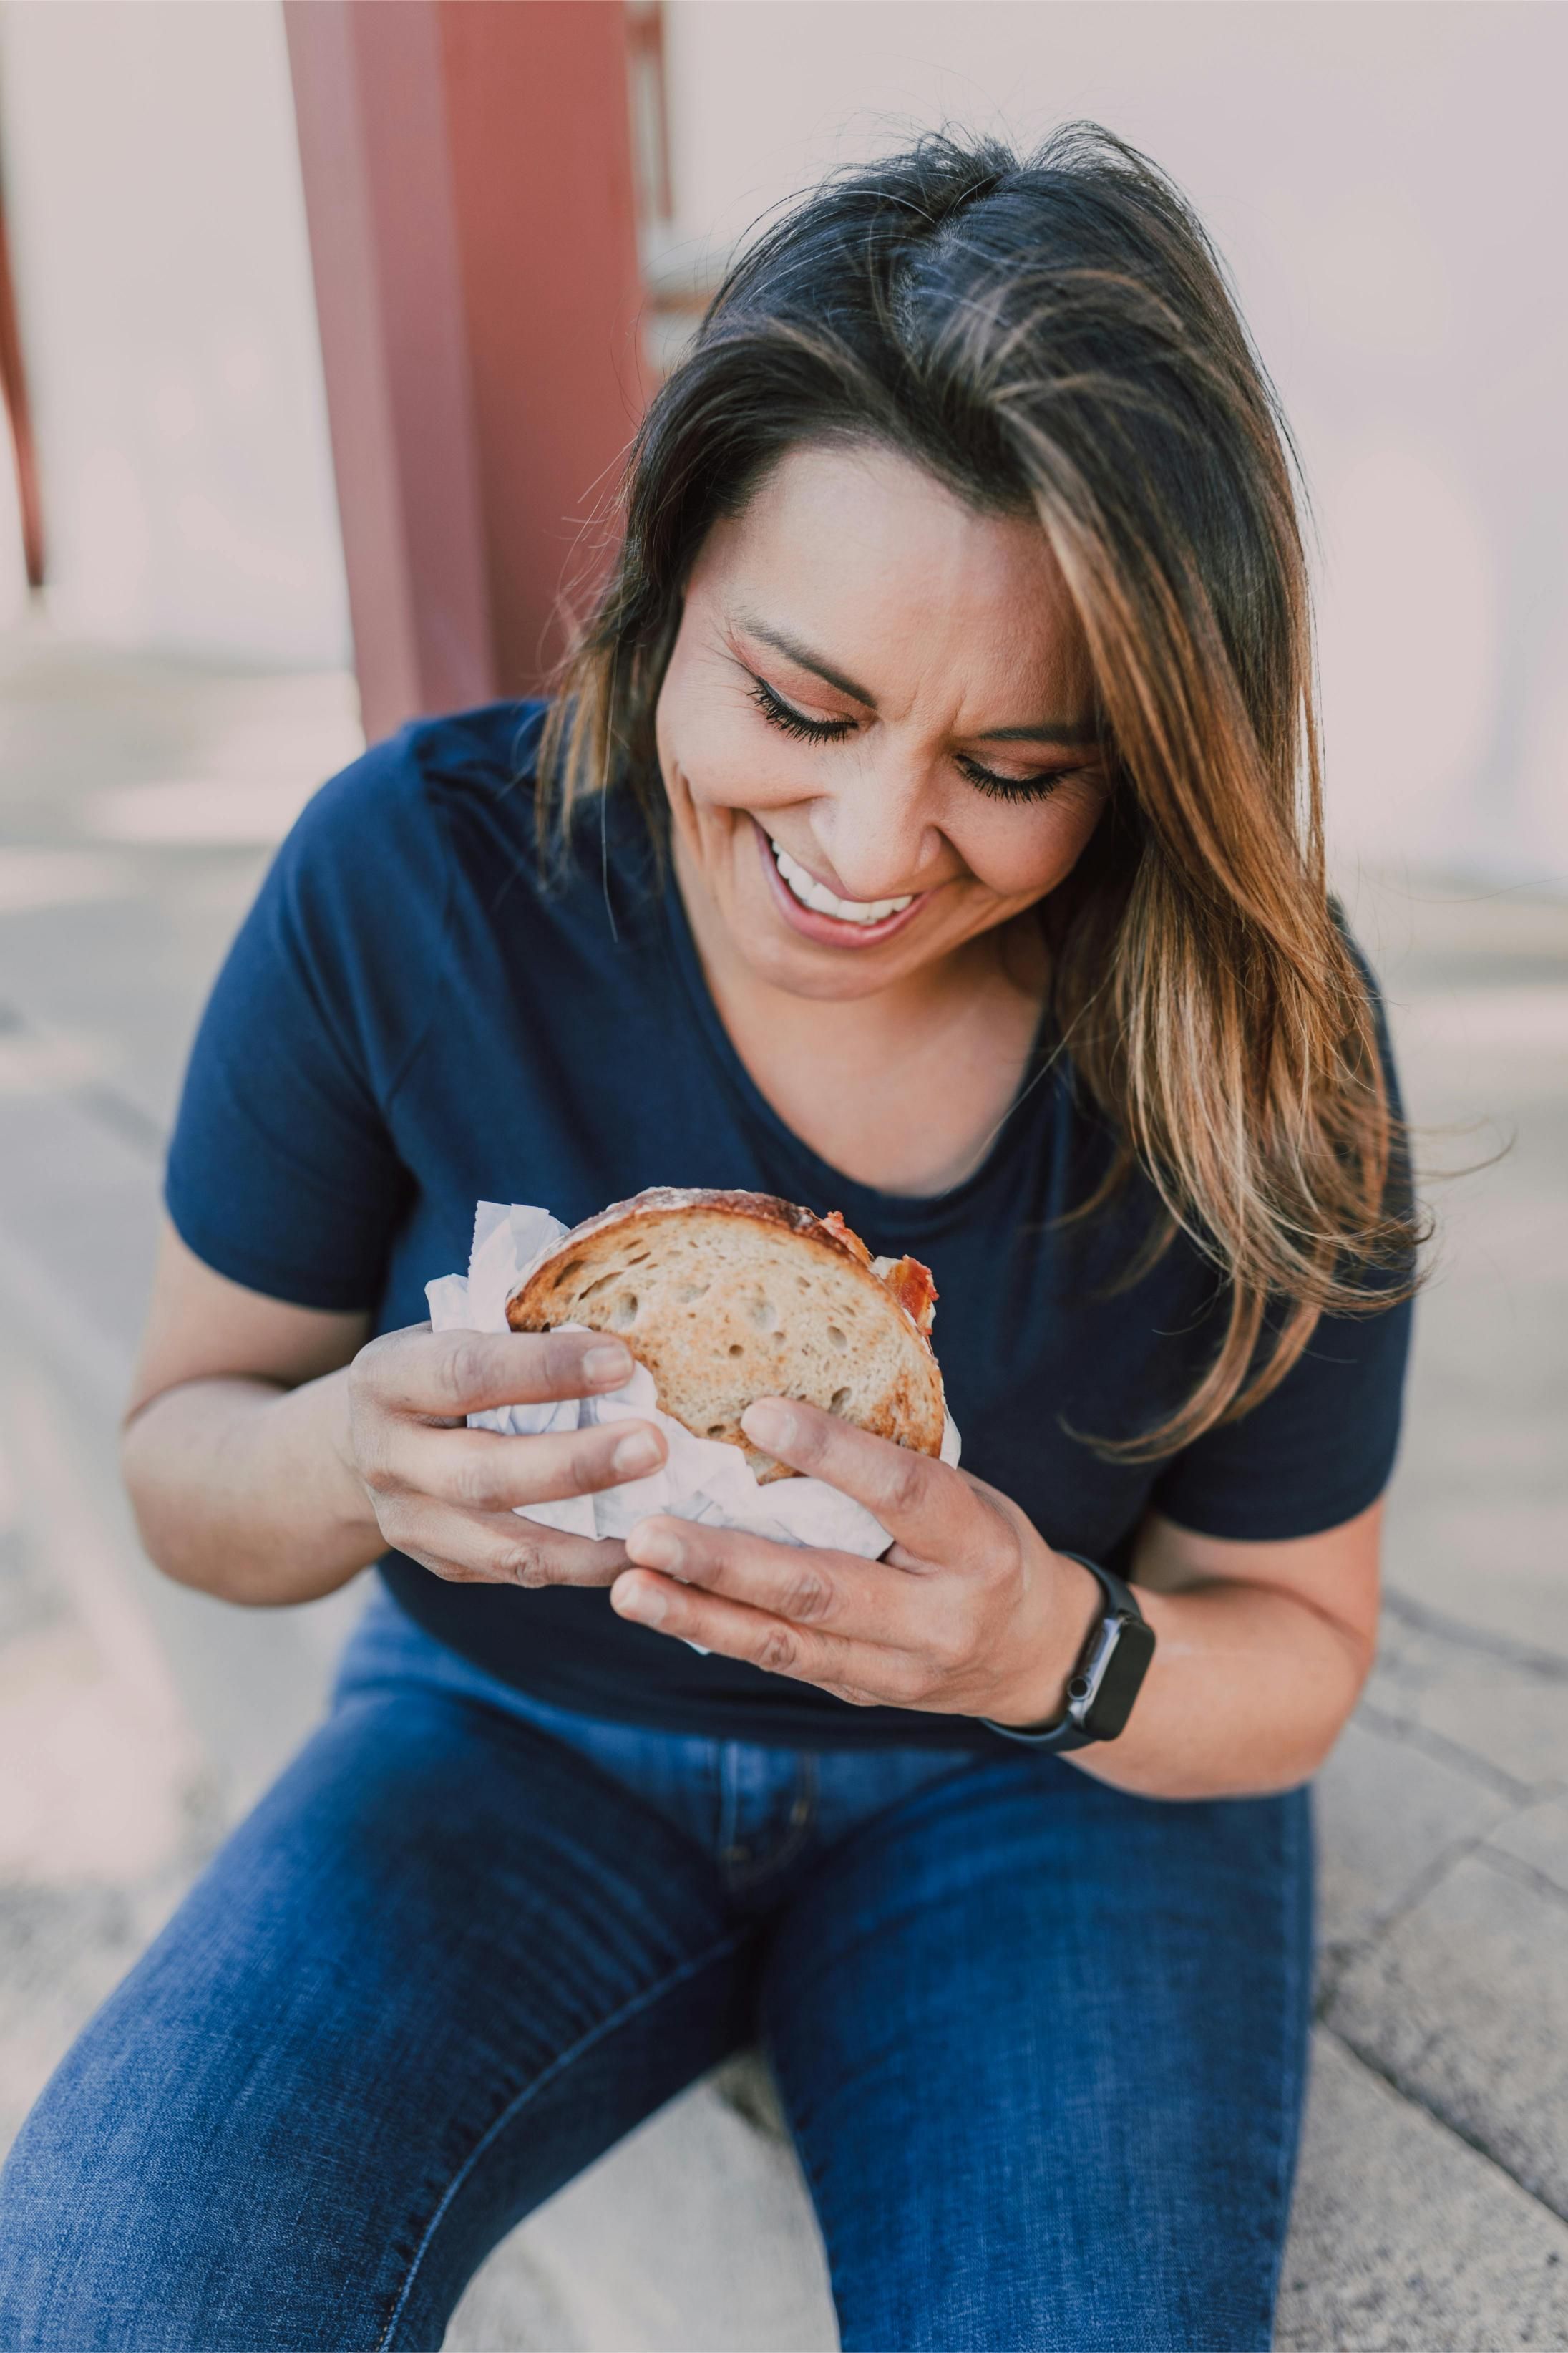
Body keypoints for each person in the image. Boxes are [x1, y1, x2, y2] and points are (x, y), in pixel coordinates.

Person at [0, 126, 1418, 2352]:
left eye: (1017, 767)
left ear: (1140, 755)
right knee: (117, 2290)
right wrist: (357, 1461)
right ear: (665, 587)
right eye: (802, 704)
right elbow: (190, 1454)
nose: (872, 845)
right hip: (509, 1737)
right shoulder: (419, 883)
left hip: (1039, 1804)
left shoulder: (1256, 1035)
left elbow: (1292, 1648)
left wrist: (1044, 1649)